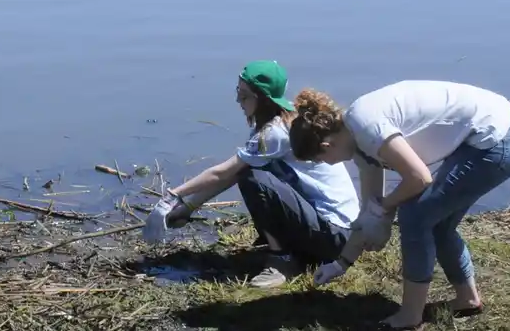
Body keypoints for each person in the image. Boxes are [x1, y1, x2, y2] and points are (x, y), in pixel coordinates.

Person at [288, 81, 510, 331]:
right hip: (494, 131)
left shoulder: (367, 127)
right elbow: (370, 212)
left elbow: (418, 178)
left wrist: (387, 206)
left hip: (503, 136)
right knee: (436, 221)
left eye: (320, 160)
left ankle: (409, 316)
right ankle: (467, 300)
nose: (328, 165)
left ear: (326, 146)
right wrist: (340, 264)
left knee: (416, 216)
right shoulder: (358, 143)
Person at [144, 61, 360, 287]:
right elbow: (231, 173)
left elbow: (224, 172)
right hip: (333, 230)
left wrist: (171, 197)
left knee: (253, 178)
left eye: (245, 95)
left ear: (263, 98)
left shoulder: (276, 133)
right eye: (238, 92)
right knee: (249, 171)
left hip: (336, 236)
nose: (238, 100)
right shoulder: (282, 121)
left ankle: (283, 260)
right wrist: (188, 208)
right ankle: (289, 247)